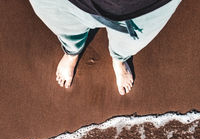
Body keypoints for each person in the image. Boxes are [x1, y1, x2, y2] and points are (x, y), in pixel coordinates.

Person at [29, 0, 182, 95]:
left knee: (129, 42)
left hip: (144, 5)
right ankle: (72, 52)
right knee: (66, 27)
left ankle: (119, 59)